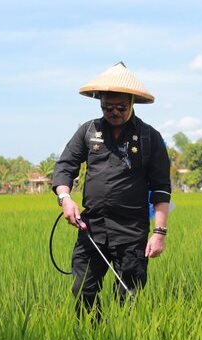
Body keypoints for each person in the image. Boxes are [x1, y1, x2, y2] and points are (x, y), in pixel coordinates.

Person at [52, 62, 171, 317]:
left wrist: (159, 232)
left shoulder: (150, 137)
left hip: (131, 232)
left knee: (128, 296)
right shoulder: (88, 131)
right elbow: (65, 166)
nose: (113, 112)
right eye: (107, 107)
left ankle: (121, 339)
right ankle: (94, 335)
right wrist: (65, 198)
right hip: (92, 227)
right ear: (100, 102)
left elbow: (162, 189)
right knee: (83, 289)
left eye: (120, 107)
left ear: (132, 103)